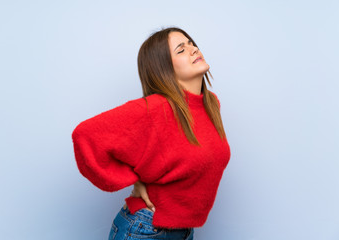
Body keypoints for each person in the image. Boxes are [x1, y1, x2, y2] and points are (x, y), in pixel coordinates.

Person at [71, 27, 231, 240]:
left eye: (191, 43)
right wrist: (132, 179)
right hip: (145, 230)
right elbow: (85, 134)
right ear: (163, 67)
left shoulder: (211, 104)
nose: (193, 49)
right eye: (181, 50)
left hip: (184, 231)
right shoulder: (156, 108)